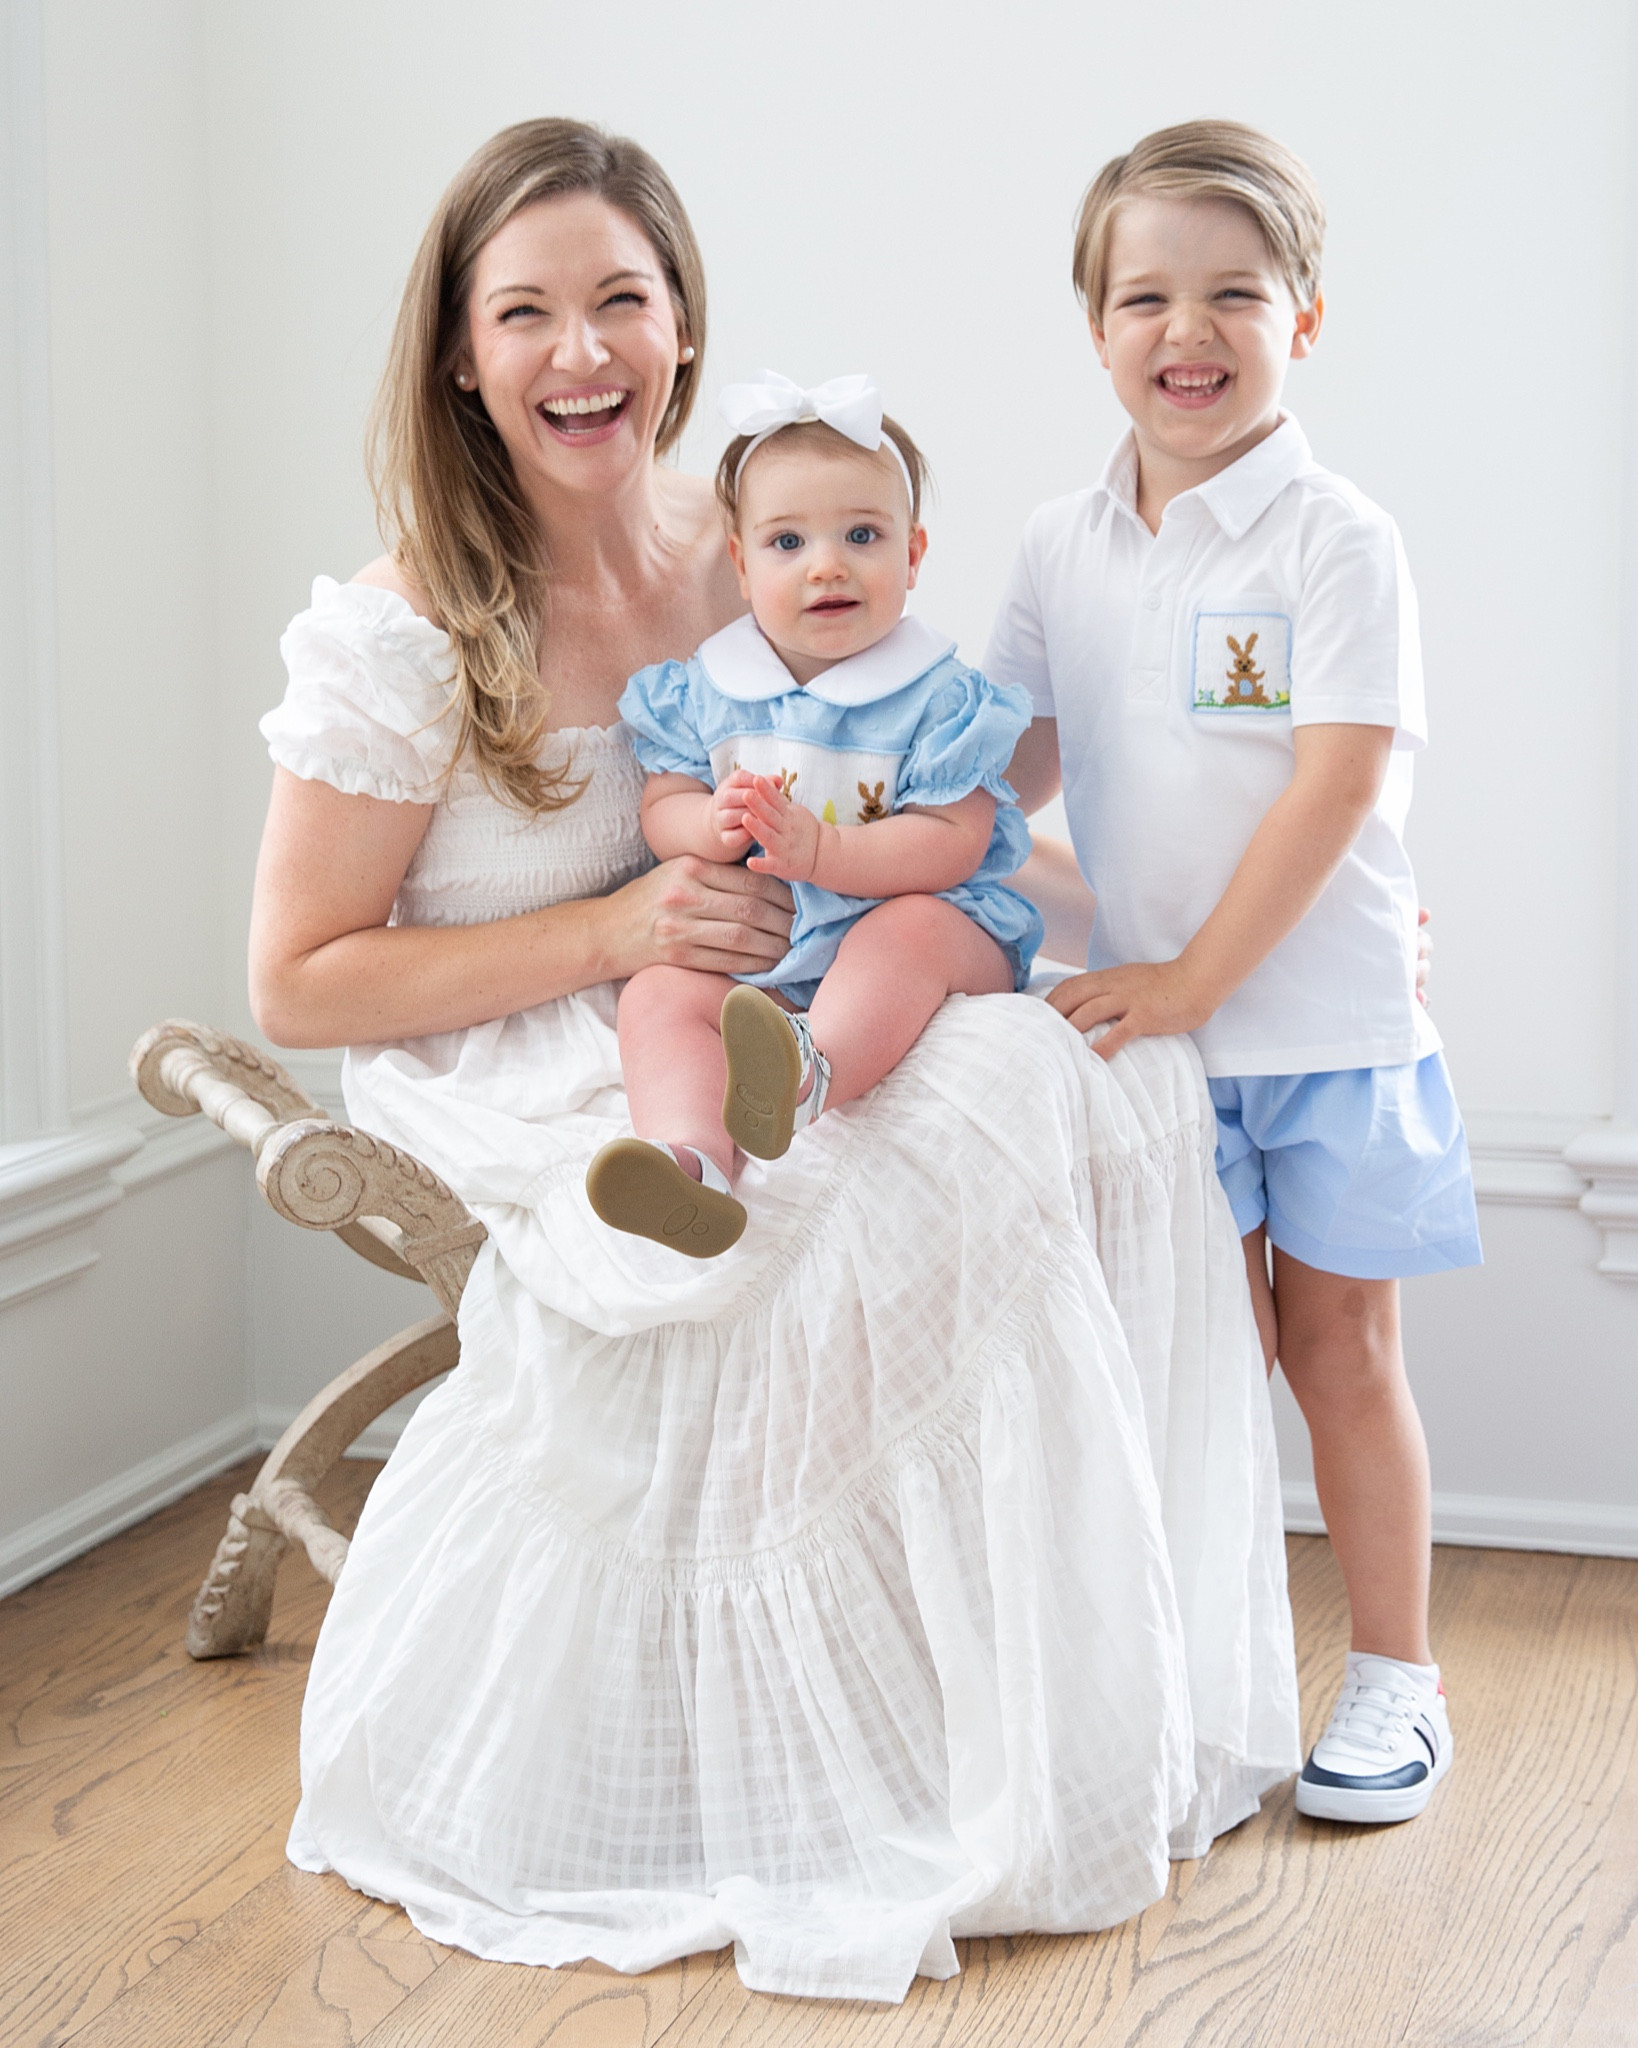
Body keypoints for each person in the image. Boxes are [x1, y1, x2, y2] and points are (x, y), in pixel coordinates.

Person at [250, 117, 1299, 2001]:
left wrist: (1187, 944)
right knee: (908, 1150)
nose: (582, 352)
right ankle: (768, 1739)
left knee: (1079, 1068)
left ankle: (988, 1703)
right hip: (501, 1027)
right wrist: (614, 936)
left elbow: (937, 817)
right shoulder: (404, 623)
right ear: (458, 355)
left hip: (758, 974)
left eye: (621, 303)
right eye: (527, 313)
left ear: (677, 324)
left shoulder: (745, 563)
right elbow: (303, 981)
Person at [990, 119, 1481, 1828]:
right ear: (1093, 323)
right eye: (1141, 295)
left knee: (1333, 1347)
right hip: (1159, 1039)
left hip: (1321, 1028)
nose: (1182, 329)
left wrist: (1195, 972)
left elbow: (1334, 782)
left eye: (1229, 292)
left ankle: (1394, 1677)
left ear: (1304, 319)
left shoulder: (1335, 540)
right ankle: (1182, 1672)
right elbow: (994, 775)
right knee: (1180, 1355)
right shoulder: (1058, 547)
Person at [588, 372, 1042, 1255]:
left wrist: (827, 851)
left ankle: (802, 1075)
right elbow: (664, 800)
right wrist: (704, 827)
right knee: (657, 994)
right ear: (741, 562)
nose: (826, 564)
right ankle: (689, 1163)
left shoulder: (935, 696)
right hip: (780, 954)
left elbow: (958, 839)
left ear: (912, 556)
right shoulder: (710, 690)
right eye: (788, 540)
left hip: (931, 926)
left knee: (905, 931)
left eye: (861, 535)